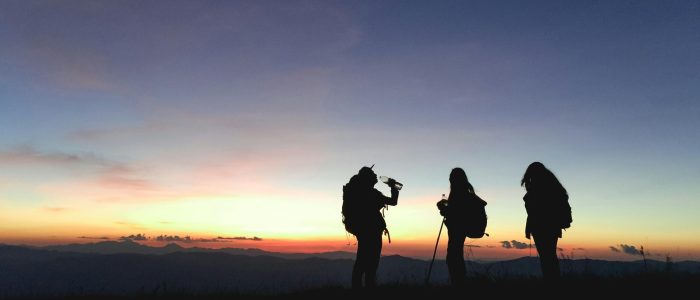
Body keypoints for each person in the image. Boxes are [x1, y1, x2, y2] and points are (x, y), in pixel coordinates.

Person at [342, 166, 399, 289]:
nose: (375, 176)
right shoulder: (370, 193)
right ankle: (368, 287)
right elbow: (393, 202)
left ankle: (358, 288)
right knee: (371, 261)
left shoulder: (359, 191)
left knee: (362, 259)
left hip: (363, 230)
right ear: (367, 178)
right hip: (371, 231)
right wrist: (393, 187)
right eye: (372, 174)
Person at [436, 168, 486, 286]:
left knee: (454, 256)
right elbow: (457, 213)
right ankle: (459, 284)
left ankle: (458, 285)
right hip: (461, 229)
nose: (450, 180)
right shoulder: (466, 194)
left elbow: (457, 214)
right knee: (455, 255)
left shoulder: (459, 195)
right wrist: (446, 210)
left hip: (458, 230)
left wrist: (444, 210)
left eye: (451, 178)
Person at [521, 162, 570, 280]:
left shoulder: (538, 187)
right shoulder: (552, 185)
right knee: (550, 255)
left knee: (546, 256)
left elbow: (534, 209)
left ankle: (551, 282)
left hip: (541, 226)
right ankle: (553, 281)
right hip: (552, 226)